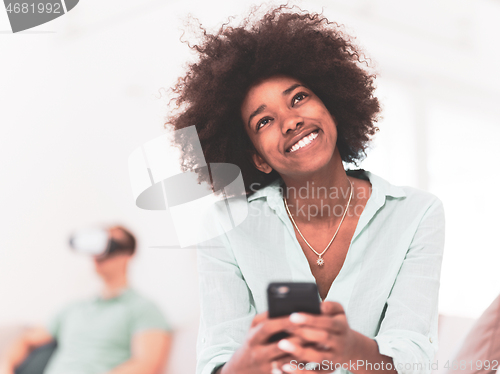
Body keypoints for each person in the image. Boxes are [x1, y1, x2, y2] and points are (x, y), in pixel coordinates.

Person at [168, 6, 445, 374]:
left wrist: (349, 348)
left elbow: (414, 360)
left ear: (333, 108)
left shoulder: (416, 213)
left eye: (298, 98)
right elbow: (216, 359)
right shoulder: (226, 226)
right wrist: (250, 362)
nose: (291, 121)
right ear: (259, 159)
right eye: (264, 120)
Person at [0, 225, 172, 374]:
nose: (100, 252)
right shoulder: (73, 308)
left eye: (110, 244)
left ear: (128, 254)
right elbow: (27, 340)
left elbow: (147, 365)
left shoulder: (143, 309)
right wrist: (5, 367)